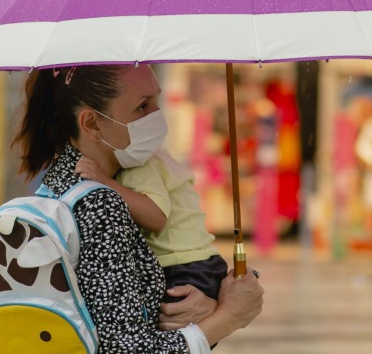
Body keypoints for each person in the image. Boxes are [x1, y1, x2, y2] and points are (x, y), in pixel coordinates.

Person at [14, 64, 263, 353]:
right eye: (142, 107)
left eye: (156, 100)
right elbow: (129, 349)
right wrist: (229, 316)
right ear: (92, 124)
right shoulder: (101, 202)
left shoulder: (62, 184)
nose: (156, 117)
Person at [75, 139, 228, 303]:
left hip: (181, 267)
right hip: (200, 264)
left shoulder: (140, 163)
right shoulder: (156, 156)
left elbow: (155, 217)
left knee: (171, 324)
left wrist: (105, 181)